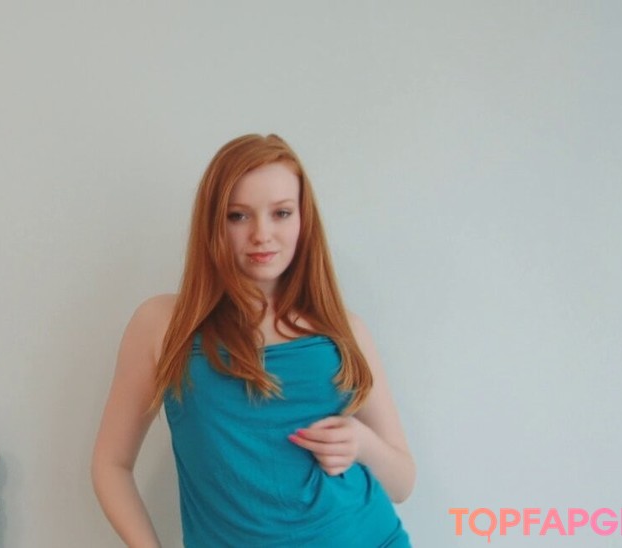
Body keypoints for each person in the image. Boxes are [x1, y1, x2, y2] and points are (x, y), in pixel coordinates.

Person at [91, 134, 415, 547]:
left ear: (303, 220)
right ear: (213, 223)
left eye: (281, 213)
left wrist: (361, 443)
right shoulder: (163, 324)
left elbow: (403, 482)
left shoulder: (343, 330)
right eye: (238, 216)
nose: (262, 234)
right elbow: (111, 464)